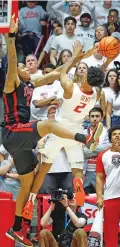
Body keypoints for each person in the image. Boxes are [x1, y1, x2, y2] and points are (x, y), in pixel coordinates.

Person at [4, 16, 100, 247]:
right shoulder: (12, 84)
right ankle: (82, 137)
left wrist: (81, 56)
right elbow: (11, 60)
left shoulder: (31, 84)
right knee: (48, 124)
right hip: (12, 131)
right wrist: (11, 38)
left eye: (29, 66)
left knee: (29, 184)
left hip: (23, 141)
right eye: (22, 66)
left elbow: (60, 71)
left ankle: (17, 228)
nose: (27, 67)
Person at [38, 105, 73, 194]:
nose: (53, 115)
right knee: (46, 195)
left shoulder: (67, 130)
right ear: (47, 116)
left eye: (55, 113)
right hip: (48, 171)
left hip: (66, 169)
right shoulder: (41, 131)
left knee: (69, 195)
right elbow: (40, 146)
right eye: (51, 113)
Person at [96, 126, 120, 247]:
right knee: (110, 229)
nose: (117, 136)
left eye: (119, 134)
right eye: (114, 134)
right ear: (110, 138)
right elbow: (99, 178)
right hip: (110, 197)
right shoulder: (103, 155)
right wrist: (99, 197)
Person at [83, 107, 109, 193]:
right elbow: (80, 152)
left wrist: (87, 150)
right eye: (92, 116)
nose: (94, 119)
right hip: (85, 171)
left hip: (101, 171)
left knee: (101, 198)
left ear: (102, 118)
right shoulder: (82, 132)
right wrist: (99, 149)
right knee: (84, 201)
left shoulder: (108, 133)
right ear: (89, 118)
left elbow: (107, 149)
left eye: (97, 116)